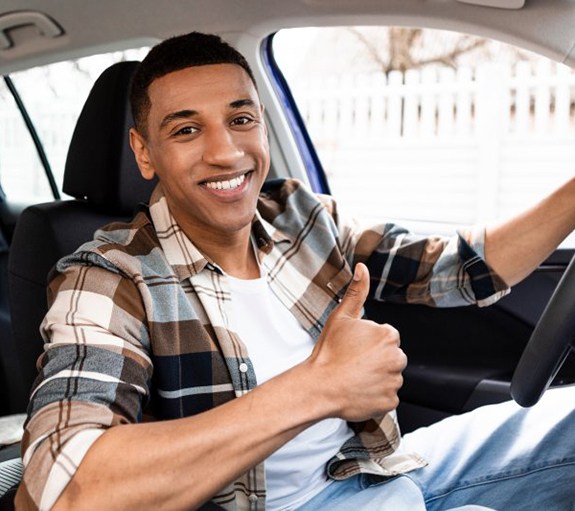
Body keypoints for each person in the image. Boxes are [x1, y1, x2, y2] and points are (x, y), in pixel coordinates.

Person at [15, 32, 575, 511]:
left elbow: (461, 268)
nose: (225, 152)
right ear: (144, 153)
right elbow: (66, 488)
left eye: (240, 119)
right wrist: (318, 387)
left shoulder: (300, 218)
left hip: (371, 470)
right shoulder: (109, 276)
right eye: (187, 130)